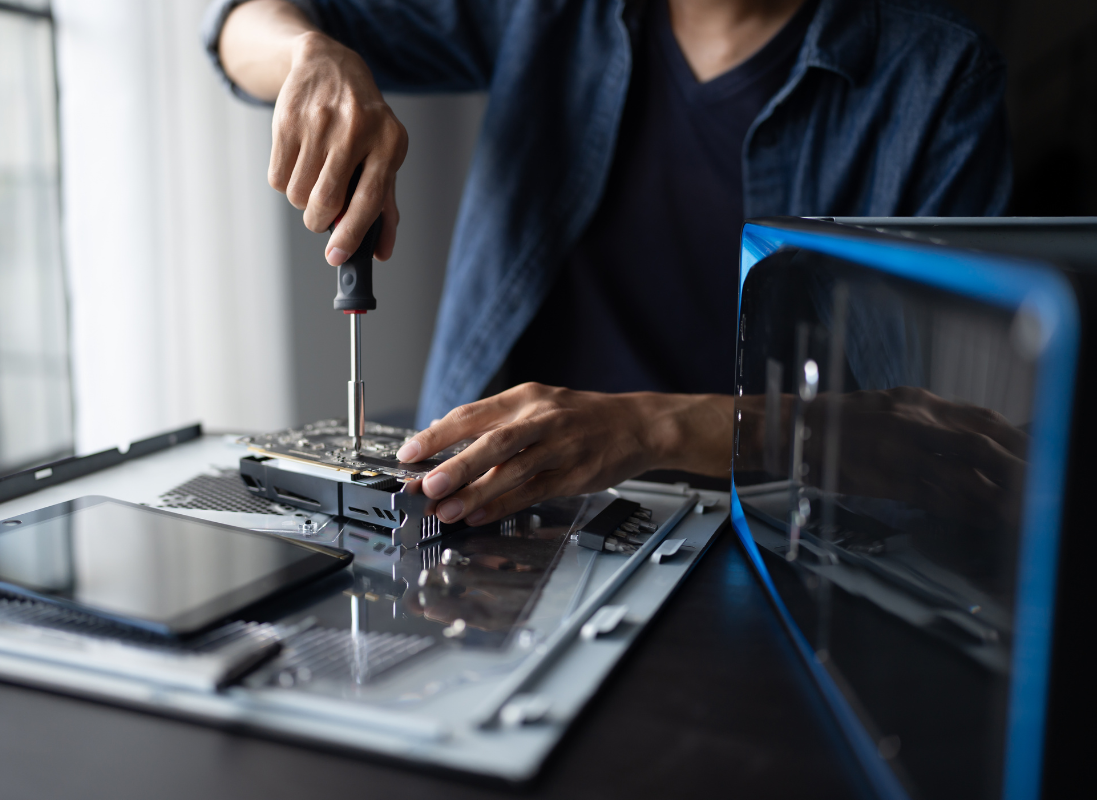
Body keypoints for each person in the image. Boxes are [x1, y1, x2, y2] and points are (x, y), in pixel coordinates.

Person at [205, 0, 1011, 526]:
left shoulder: (937, 77)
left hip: (765, 548)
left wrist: (647, 427)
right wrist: (313, 54)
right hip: (476, 516)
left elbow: (947, 441)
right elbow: (239, 27)